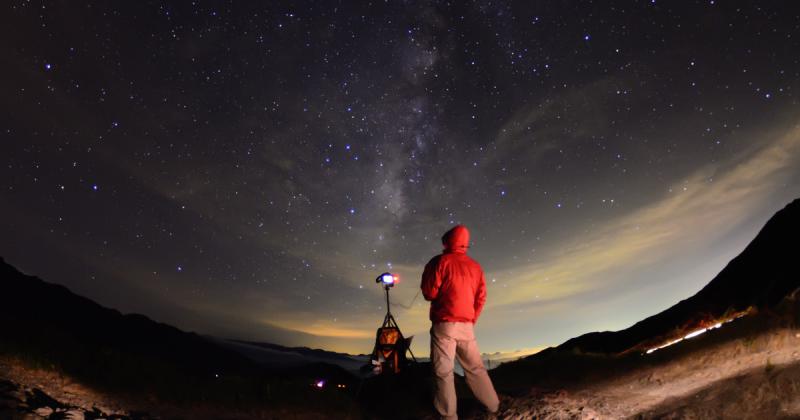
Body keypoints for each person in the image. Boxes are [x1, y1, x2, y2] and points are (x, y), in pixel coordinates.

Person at [421, 224, 499, 419]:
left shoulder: (440, 262)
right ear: (465, 244)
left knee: (443, 371)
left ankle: (449, 415)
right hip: (467, 326)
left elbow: (429, 293)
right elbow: (481, 297)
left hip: (445, 324)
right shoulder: (476, 267)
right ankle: (494, 405)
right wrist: (472, 319)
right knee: (475, 368)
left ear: (447, 241)